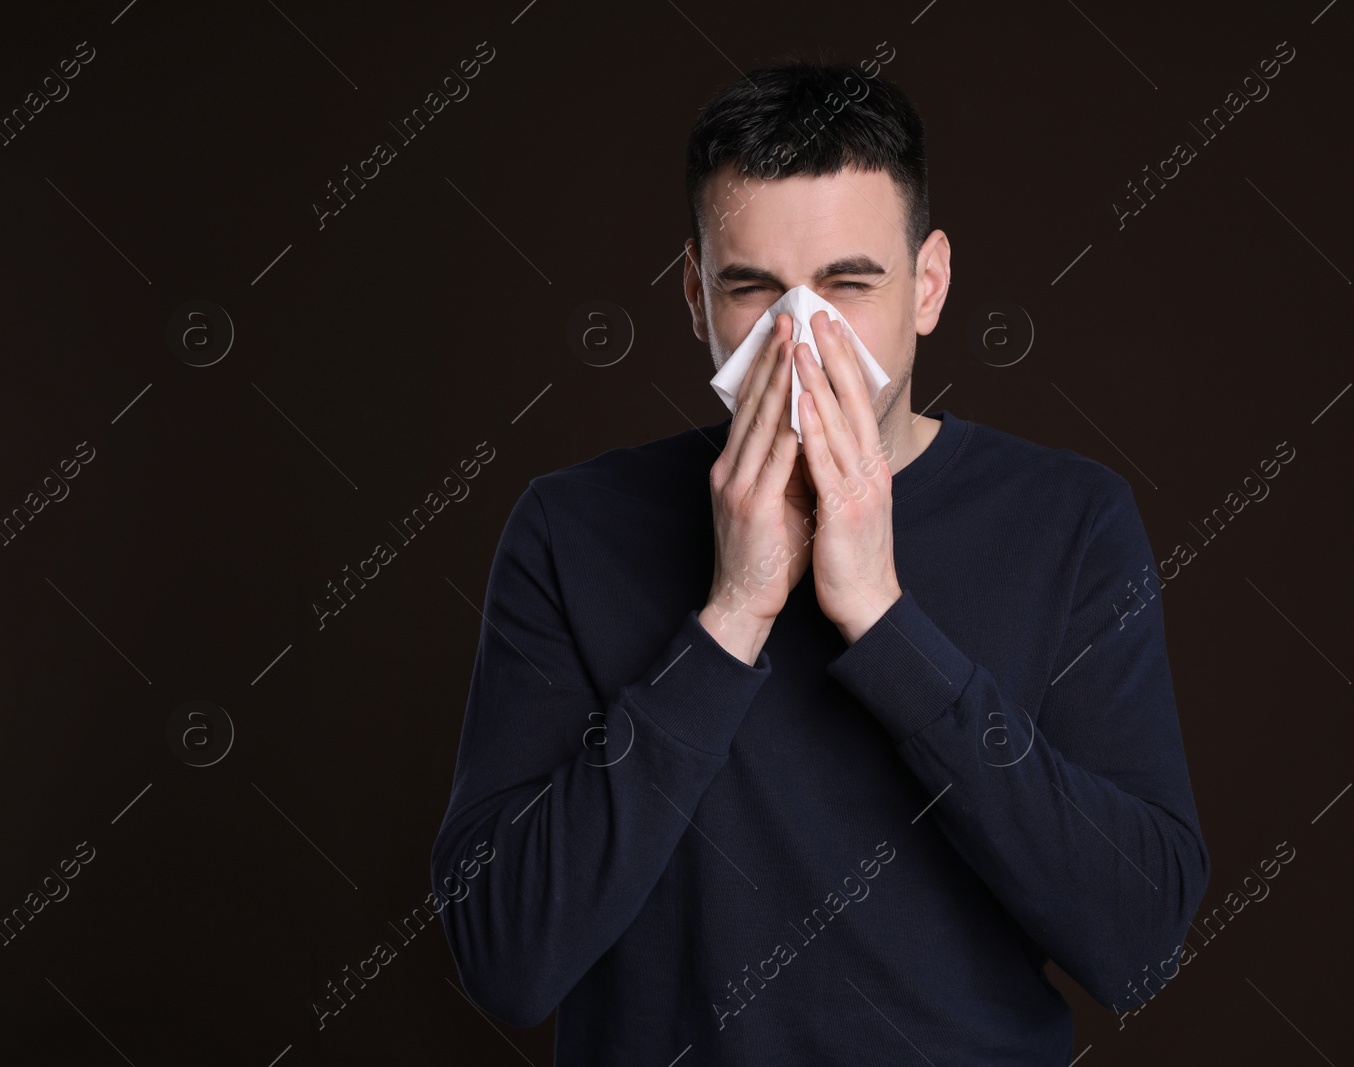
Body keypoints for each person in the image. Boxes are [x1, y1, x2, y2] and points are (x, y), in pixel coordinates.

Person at [430, 57, 1209, 1064]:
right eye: (752, 288)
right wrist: (734, 610)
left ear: (927, 286)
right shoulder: (572, 526)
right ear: (693, 294)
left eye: (849, 283)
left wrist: (884, 621)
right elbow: (503, 958)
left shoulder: (1069, 518)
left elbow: (1137, 940)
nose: (802, 336)